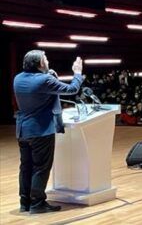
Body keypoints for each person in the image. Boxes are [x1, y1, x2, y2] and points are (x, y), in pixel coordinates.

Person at [14, 51, 83, 213]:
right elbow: (72, 89)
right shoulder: (45, 80)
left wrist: (50, 75)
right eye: (45, 59)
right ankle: (38, 203)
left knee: (26, 167)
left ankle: (25, 203)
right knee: (40, 167)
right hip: (41, 130)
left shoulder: (17, 79)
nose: (48, 61)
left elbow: (40, 86)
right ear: (40, 64)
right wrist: (78, 73)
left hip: (23, 130)